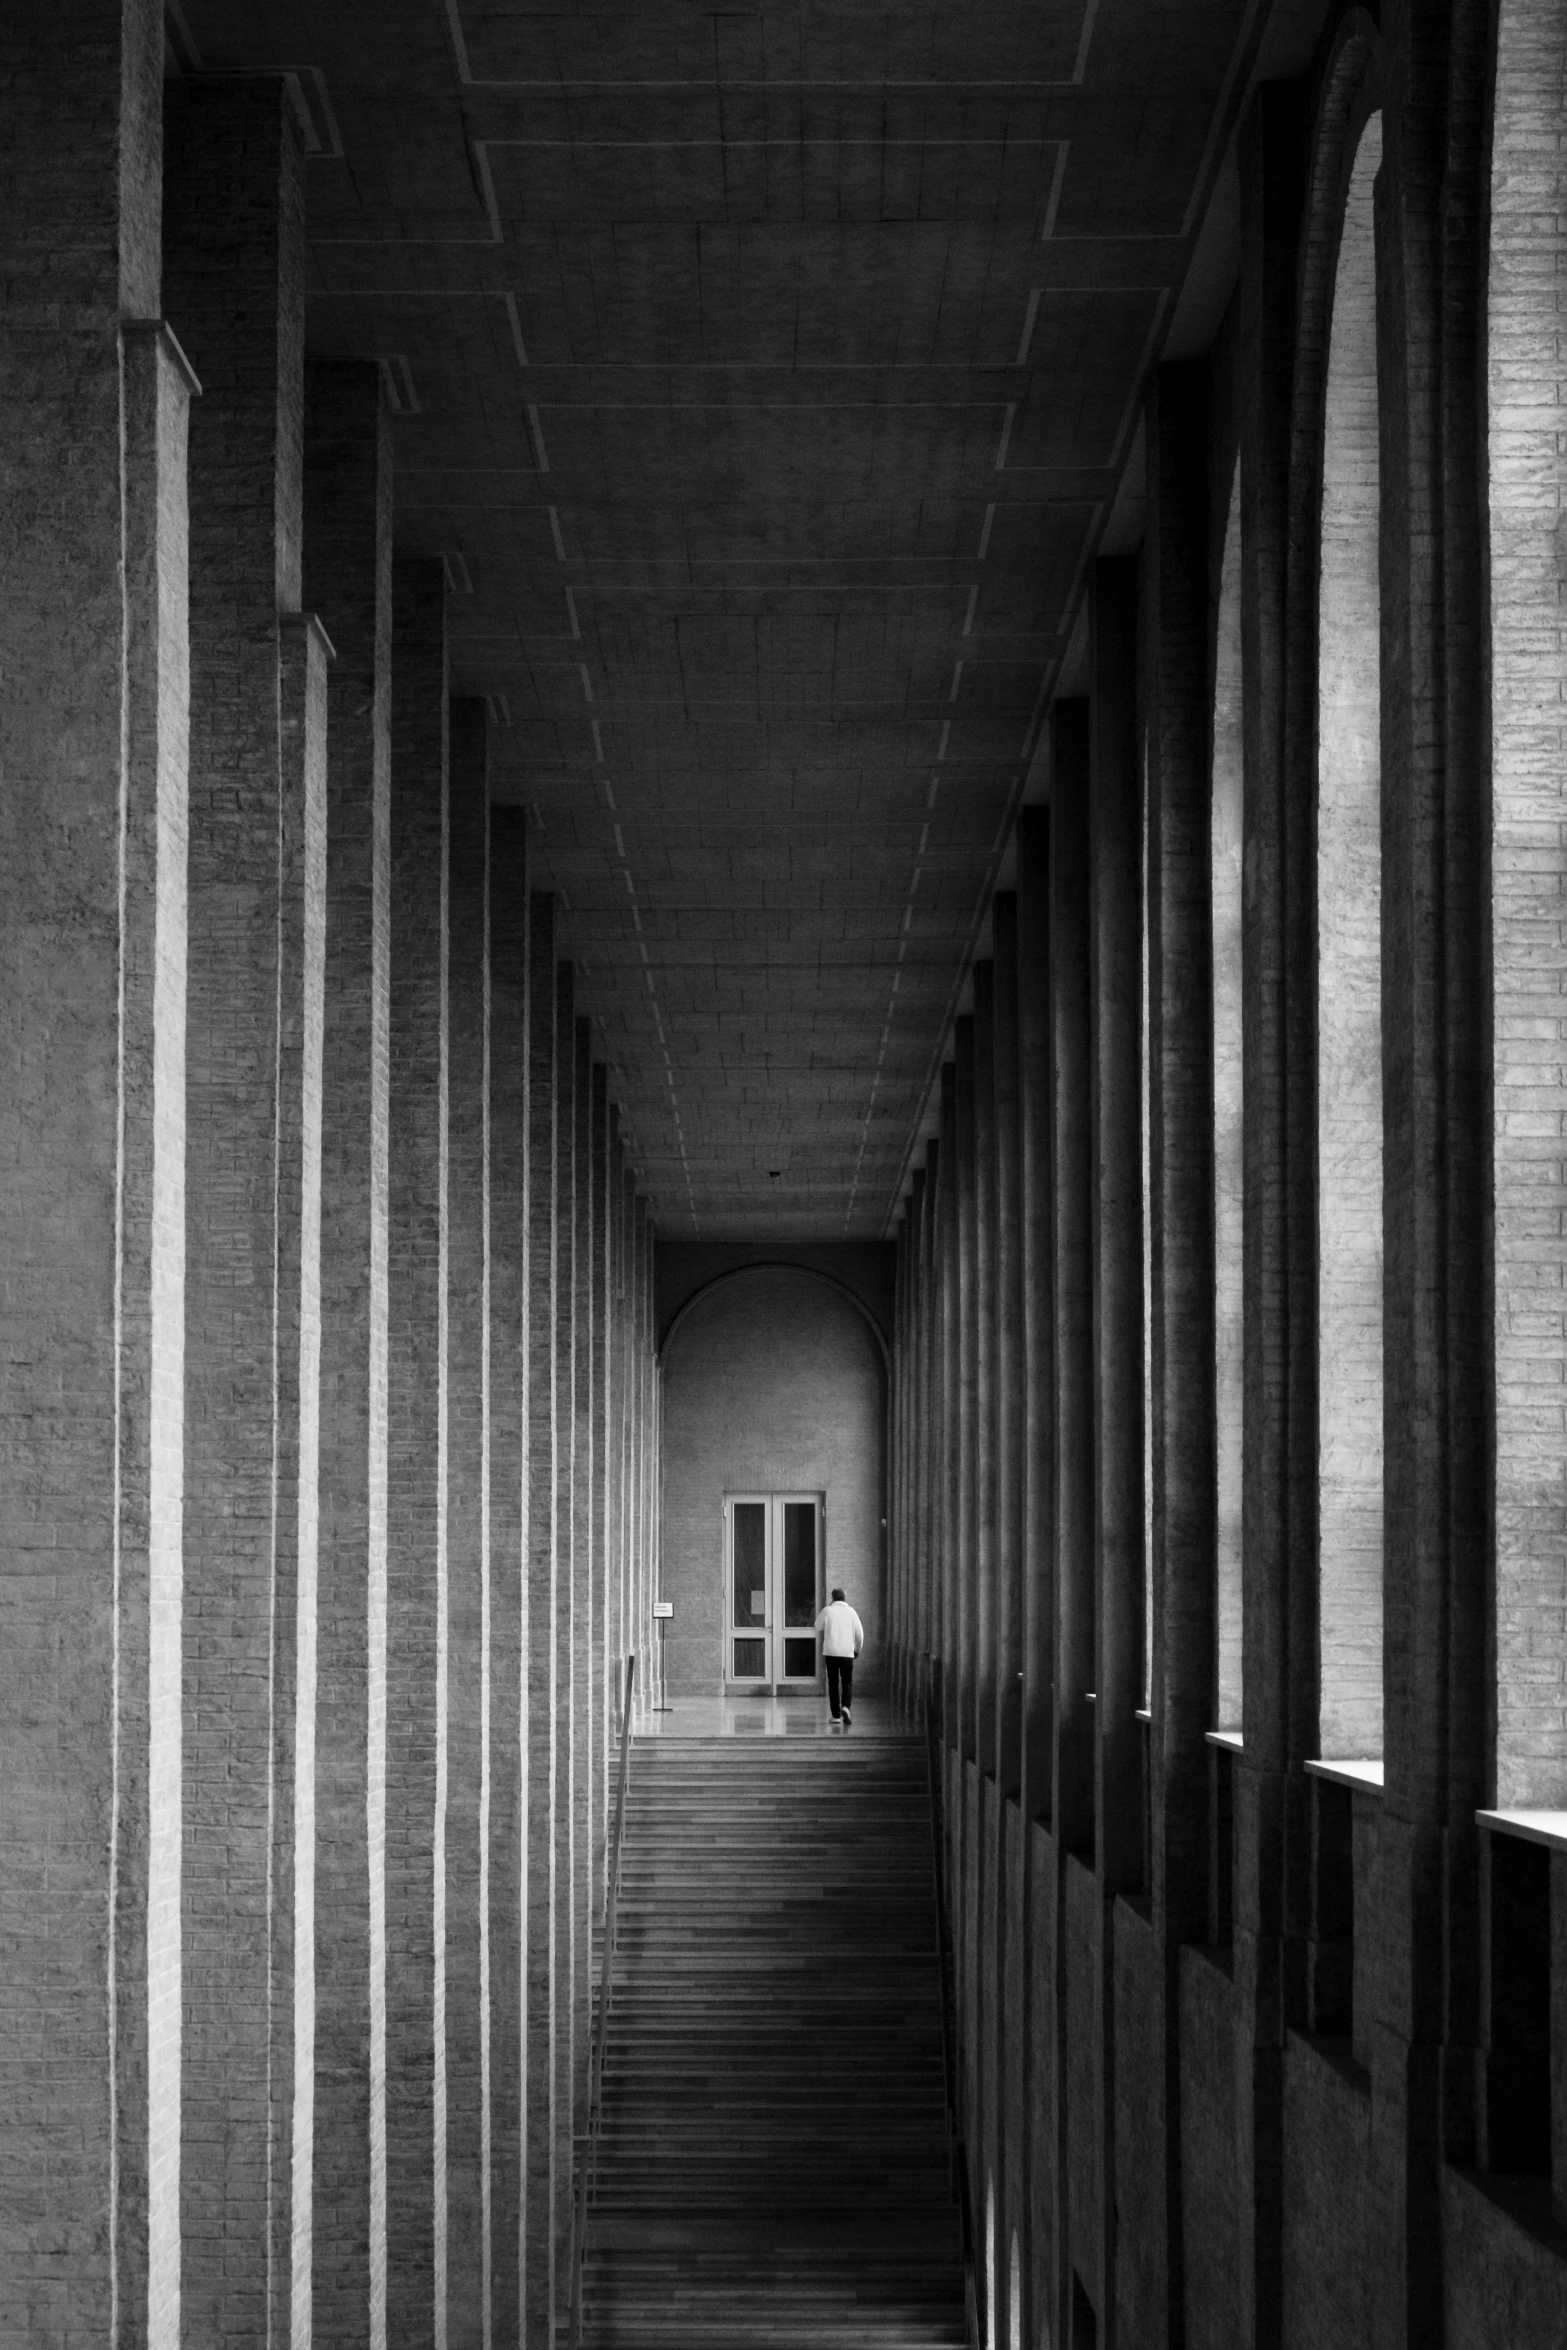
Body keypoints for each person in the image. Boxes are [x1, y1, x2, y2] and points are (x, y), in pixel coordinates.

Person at [815, 1585, 864, 1728]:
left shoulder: (828, 1610)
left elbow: (818, 1626)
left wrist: (828, 1613)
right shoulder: (852, 1612)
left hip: (831, 1653)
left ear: (832, 1597)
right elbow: (859, 1634)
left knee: (833, 1683)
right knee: (847, 1682)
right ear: (845, 1598)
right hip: (847, 1653)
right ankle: (846, 1707)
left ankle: (836, 1715)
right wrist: (857, 1650)